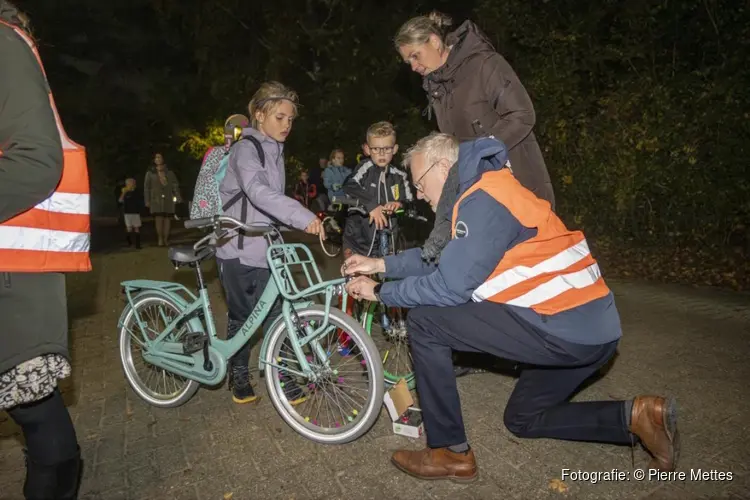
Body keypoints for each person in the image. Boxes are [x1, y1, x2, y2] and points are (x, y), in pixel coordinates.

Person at [343, 132, 678, 482]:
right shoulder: (488, 190)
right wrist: (379, 265)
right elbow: (440, 260)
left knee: (427, 321)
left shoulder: (482, 199)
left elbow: (448, 286)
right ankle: (637, 417)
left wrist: (382, 293)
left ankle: (449, 452)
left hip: (561, 328)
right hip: (592, 334)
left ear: (443, 167)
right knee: (521, 419)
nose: (418, 194)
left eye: (419, 183)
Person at [395, 11, 557, 377]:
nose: (413, 66)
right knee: (472, 266)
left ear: (436, 43)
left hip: (516, 185)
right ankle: (477, 350)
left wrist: (479, 152)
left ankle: (544, 350)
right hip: (476, 188)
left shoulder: (484, 64)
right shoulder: (439, 87)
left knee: (519, 269)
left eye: (415, 56)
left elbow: (522, 114)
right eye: (408, 61)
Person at [0, 2, 88, 497]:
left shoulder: (3, 44)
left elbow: (36, 160)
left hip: (13, 274)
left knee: (45, 428)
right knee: (44, 428)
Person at [216, 81, 325, 404]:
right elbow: (258, 192)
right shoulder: (246, 149)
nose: (287, 125)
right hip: (236, 247)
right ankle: (238, 375)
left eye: (291, 119)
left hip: (266, 249)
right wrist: (302, 216)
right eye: (280, 117)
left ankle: (284, 375)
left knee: (280, 313)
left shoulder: (274, 149)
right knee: (243, 316)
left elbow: (270, 201)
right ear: (259, 115)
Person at [341, 121, 414, 260]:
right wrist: (371, 205)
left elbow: (410, 201)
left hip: (388, 240)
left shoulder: (400, 175)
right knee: (355, 277)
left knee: (383, 277)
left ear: (395, 149)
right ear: (367, 149)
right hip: (358, 240)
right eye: (376, 149)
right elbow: (349, 184)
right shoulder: (365, 168)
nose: (381, 153)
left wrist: (400, 204)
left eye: (387, 148)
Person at [144, 152, 181, 246]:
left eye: (160, 157)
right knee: (159, 219)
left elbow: (175, 185)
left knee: (168, 219)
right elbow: (147, 187)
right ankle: (160, 238)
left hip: (168, 198)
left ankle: (166, 238)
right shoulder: (150, 173)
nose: (158, 159)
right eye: (156, 157)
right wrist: (147, 200)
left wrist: (178, 196)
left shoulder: (169, 173)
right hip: (156, 200)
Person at [119, 178, 143, 249]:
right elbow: (120, 200)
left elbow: (139, 201)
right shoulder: (125, 192)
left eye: (132, 183)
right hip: (127, 213)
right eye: (129, 183)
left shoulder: (137, 192)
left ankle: (137, 245)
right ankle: (129, 243)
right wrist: (124, 192)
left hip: (135, 212)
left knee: (137, 228)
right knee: (129, 228)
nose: (131, 185)